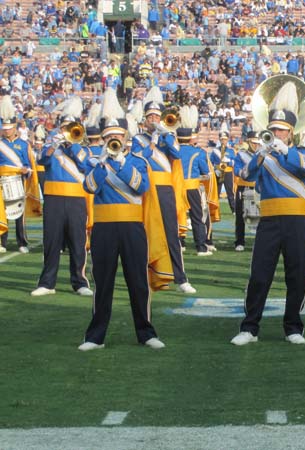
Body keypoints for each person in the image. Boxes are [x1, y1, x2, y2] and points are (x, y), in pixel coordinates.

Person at [230, 84, 305, 346]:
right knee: (260, 274)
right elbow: (245, 176)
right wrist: (260, 154)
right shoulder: (262, 155)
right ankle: (249, 328)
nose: (276, 133)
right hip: (269, 220)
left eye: (281, 130)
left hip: (296, 221)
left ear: (291, 132)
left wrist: (285, 151)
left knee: (296, 274)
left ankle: (293, 326)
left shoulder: (301, 153)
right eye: (273, 129)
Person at [78, 89, 165, 351]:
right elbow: (89, 187)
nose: (113, 140)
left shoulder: (137, 161)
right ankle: (95, 336)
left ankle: (146, 333)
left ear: (126, 138)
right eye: (108, 137)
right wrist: (103, 163)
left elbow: (141, 186)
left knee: (137, 281)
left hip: (132, 228)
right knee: (103, 283)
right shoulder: (95, 162)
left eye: (117, 137)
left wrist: (120, 161)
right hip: (104, 228)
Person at [131, 90, 196, 293]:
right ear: (145, 119)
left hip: (166, 190)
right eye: (150, 117)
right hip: (147, 190)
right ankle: (149, 277)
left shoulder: (169, 137)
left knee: (171, 233)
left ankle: (181, 278)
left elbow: (176, 153)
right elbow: (137, 157)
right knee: (147, 233)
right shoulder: (138, 139)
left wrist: (165, 134)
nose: (154, 120)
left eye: (157, 117)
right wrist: (151, 142)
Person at [31, 97, 92, 297]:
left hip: (76, 198)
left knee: (77, 241)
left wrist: (72, 145)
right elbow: (42, 159)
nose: (67, 131)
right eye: (65, 128)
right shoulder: (52, 146)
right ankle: (47, 283)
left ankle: (80, 282)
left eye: (71, 128)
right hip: (54, 198)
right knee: (51, 241)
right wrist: (54, 143)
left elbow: (85, 166)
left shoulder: (82, 148)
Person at [177, 105, 212, 256]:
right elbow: (205, 172)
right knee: (197, 217)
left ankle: (180, 243)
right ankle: (201, 247)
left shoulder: (174, 151)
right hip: (192, 187)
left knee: (177, 215)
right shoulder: (197, 152)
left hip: (176, 187)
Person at [0, 96, 33, 254]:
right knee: (2, 212)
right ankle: (2, 242)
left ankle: (22, 242)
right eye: (4, 128)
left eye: (8, 128)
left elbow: (28, 164)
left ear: (14, 128)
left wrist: (25, 170)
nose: (6, 130)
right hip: (2, 181)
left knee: (20, 214)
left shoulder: (24, 144)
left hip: (18, 181)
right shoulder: (1, 143)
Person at [232, 132, 259, 252]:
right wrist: (245, 172)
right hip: (243, 187)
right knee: (240, 215)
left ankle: (259, 242)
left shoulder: (263, 155)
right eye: (254, 142)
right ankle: (239, 241)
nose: (256, 145)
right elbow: (237, 170)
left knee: (261, 216)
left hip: (259, 188)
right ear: (248, 142)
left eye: (258, 143)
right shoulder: (241, 155)